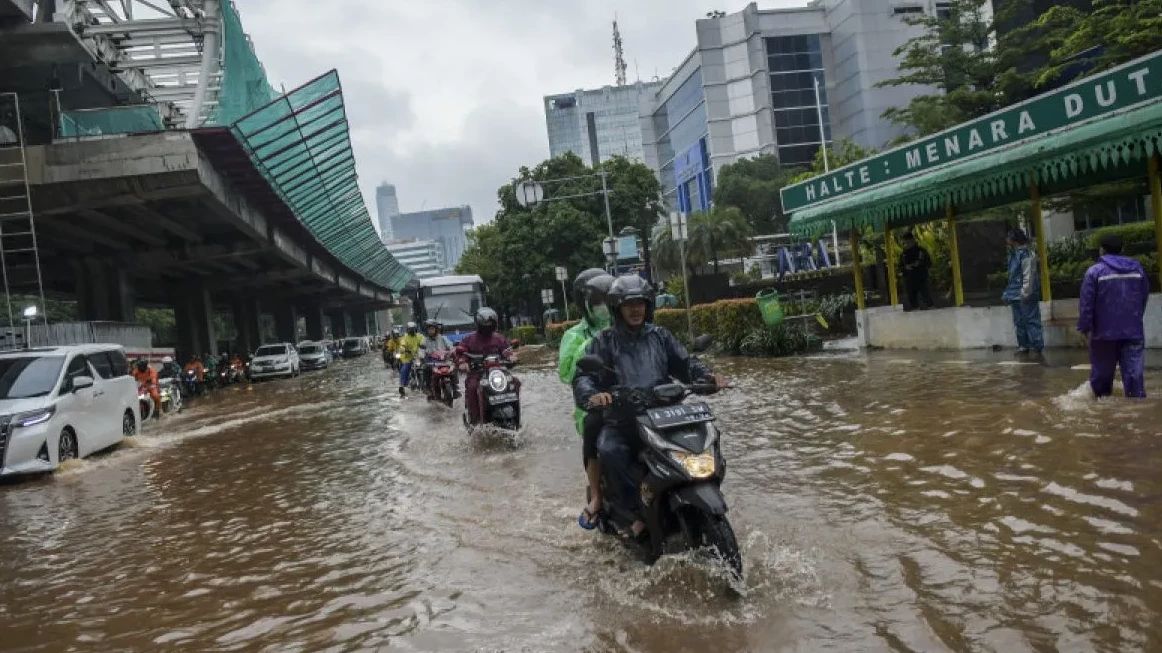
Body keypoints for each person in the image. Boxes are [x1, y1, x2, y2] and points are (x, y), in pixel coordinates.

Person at [573, 275, 727, 539]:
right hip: (624, 420)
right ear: (617, 308)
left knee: (705, 441)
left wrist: (707, 377)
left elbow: (686, 363)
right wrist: (595, 395)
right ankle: (634, 512)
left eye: (640, 303)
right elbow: (583, 377)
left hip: (665, 416)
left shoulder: (660, 336)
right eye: (628, 304)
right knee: (610, 449)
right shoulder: (605, 341)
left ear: (648, 305)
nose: (635, 309)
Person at [557, 268, 615, 530]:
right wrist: (593, 344)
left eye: (607, 300)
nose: (604, 308)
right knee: (594, 427)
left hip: (633, 399)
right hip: (593, 406)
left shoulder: (626, 325)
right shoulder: (574, 336)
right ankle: (598, 496)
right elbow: (567, 373)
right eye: (597, 302)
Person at [1077, 233, 1150, 398]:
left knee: (1102, 381)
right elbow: (1143, 296)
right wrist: (1135, 318)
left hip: (1104, 334)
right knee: (1134, 379)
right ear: (1122, 249)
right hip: (1133, 331)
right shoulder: (1137, 269)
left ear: (1102, 250)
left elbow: (1086, 304)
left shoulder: (1094, 272)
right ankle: (1137, 412)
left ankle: (1105, 414)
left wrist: (1084, 328)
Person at [455, 308, 515, 425]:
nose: (488, 327)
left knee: (515, 382)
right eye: (485, 325)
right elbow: (460, 353)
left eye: (490, 324)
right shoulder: (469, 339)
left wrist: (512, 357)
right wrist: (463, 363)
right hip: (477, 374)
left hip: (498, 373)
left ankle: (516, 416)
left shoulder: (499, 338)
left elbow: (507, 351)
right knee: (472, 388)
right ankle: (474, 422)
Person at [1003, 228, 1043, 356]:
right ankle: (1023, 346)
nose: (1006, 240)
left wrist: (1025, 292)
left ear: (1014, 240)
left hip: (1026, 293)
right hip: (1015, 294)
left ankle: (1037, 346)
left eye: (1008, 237)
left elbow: (1028, 275)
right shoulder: (1014, 254)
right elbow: (1013, 277)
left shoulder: (1025, 254)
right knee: (1019, 321)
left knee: (1031, 319)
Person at [419, 320, 456, 400]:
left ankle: (456, 389)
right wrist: (422, 357)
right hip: (431, 362)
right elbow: (421, 350)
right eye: (429, 329)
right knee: (425, 368)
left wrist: (452, 351)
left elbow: (451, 346)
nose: (430, 331)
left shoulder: (443, 338)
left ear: (436, 329)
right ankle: (428, 388)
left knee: (454, 368)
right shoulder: (425, 340)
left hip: (444, 361)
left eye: (432, 329)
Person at [899, 231, 933, 310]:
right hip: (909, 280)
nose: (907, 244)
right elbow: (901, 266)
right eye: (905, 243)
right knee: (913, 300)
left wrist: (920, 264)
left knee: (927, 297)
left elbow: (929, 263)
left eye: (908, 242)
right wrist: (906, 268)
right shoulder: (904, 254)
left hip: (922, 278)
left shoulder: (921, 251)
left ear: (913, 241)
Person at [396, 322, 424, 397]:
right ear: (407, 330)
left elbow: (424, 342)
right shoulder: (405, 337)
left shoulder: (420, 336)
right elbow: (402, 345)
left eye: (413, 329)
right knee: (404, 369)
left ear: (415, 329)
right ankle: (402, 385)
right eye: (410, 330)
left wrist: (423, 345)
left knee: (428, 367)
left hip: (418, 357)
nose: (411, 331)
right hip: (408, 357)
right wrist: (403, 348)